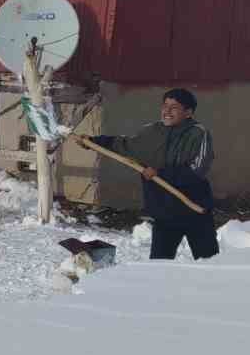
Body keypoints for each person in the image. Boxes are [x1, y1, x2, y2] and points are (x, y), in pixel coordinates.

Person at [91, 88, 219, 261]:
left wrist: (161, 173)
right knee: (159, 264)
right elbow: (127, 145)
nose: (167, 111)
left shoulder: (198, 133)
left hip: (194, 209)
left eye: (174, 107)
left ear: (188, 112)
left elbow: (197, 170)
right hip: (164, 211)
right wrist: (95, 142)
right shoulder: (152, 131)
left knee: (209, 261)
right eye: (165, 105)